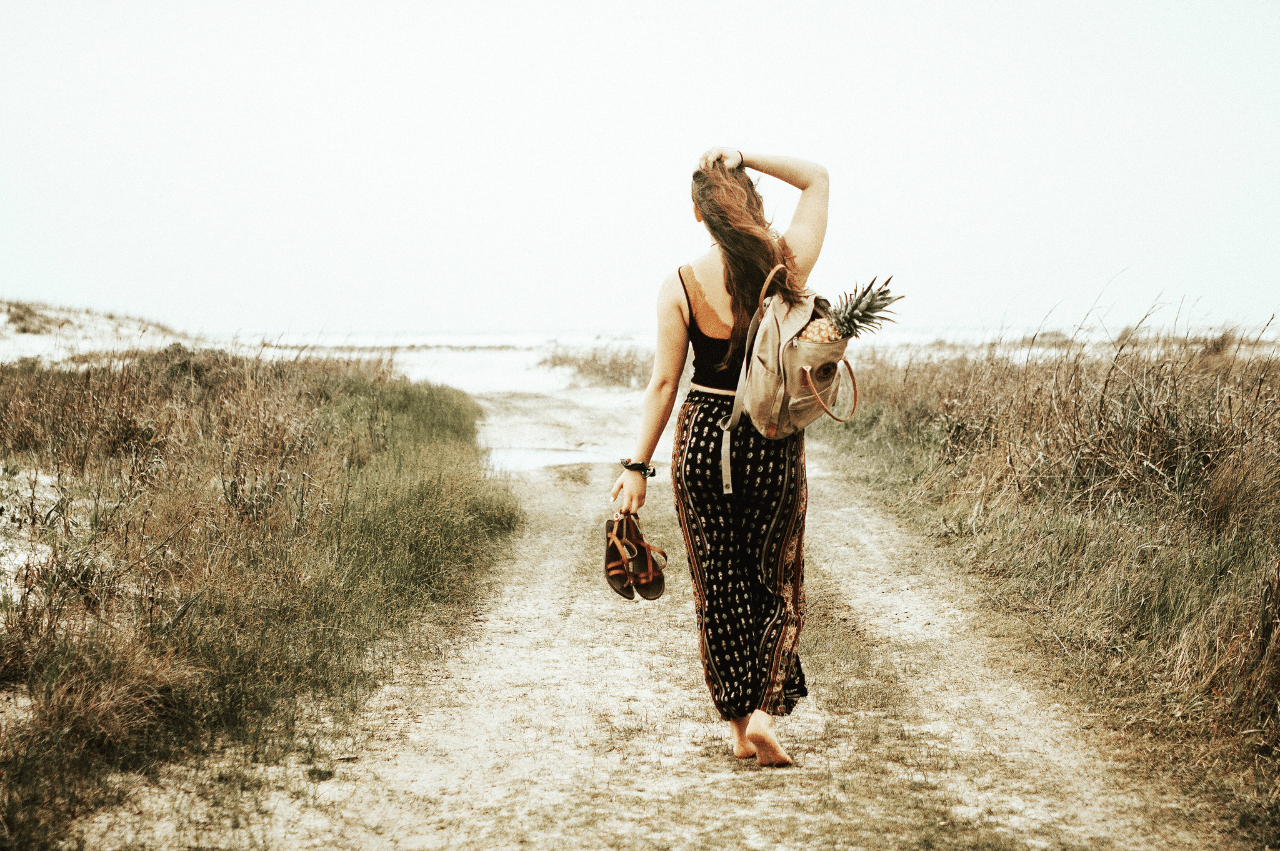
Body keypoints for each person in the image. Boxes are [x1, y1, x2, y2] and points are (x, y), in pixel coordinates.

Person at [611, 147, 829, 766]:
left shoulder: (679, 283)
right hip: (768, 438)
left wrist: (637, 469)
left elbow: (662, 384)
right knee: (779, 582)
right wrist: (746, 153)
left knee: (719, 585)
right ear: (753, 204)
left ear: (698, 212)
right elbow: (818, 178)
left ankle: (738, 732)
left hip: (704, 439)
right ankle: (762, 717)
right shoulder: (782, 266)